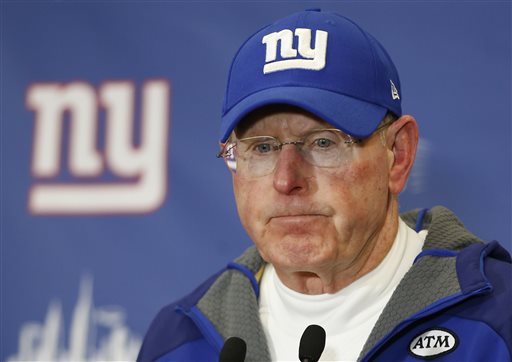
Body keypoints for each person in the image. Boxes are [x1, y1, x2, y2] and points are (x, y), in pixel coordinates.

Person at [137, 9, 512, 362]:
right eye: (262, 148)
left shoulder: (498, 321)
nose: (286, 180)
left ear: (397, 154)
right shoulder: (179, 342)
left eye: (323, 143)